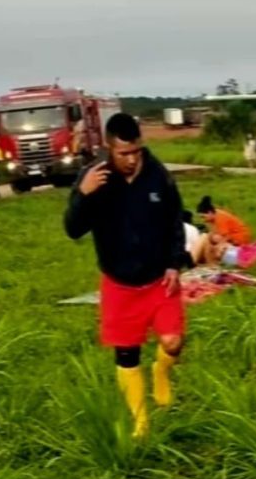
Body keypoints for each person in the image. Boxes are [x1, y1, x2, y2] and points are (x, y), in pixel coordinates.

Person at [64, 113, 187, 439]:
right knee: (127, 355)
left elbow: (176, 220)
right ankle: (141, 423)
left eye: (136, 152)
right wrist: (83, 195)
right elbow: (72, 229)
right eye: (124, 154)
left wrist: (175, 263)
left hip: (160, 278)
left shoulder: (158, 174)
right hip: (119, 283)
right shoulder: (94, 177)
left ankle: (161, 371)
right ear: (109, 148)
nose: (132, 160)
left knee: (173, 343)